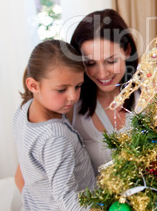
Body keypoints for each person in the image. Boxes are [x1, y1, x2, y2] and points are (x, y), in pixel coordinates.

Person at [13, 39, 95, 210]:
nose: (73, 96)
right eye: (61, 89)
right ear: (33, 85)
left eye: (78, 86)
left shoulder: (23, 110)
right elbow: (67, 199)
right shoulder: (55, 137)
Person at [70, 9, 139, 175]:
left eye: (111, 61)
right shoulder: (70, 103)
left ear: (127, 50)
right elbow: (27, 176)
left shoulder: (151, 92)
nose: (102, 74)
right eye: (91, 63)